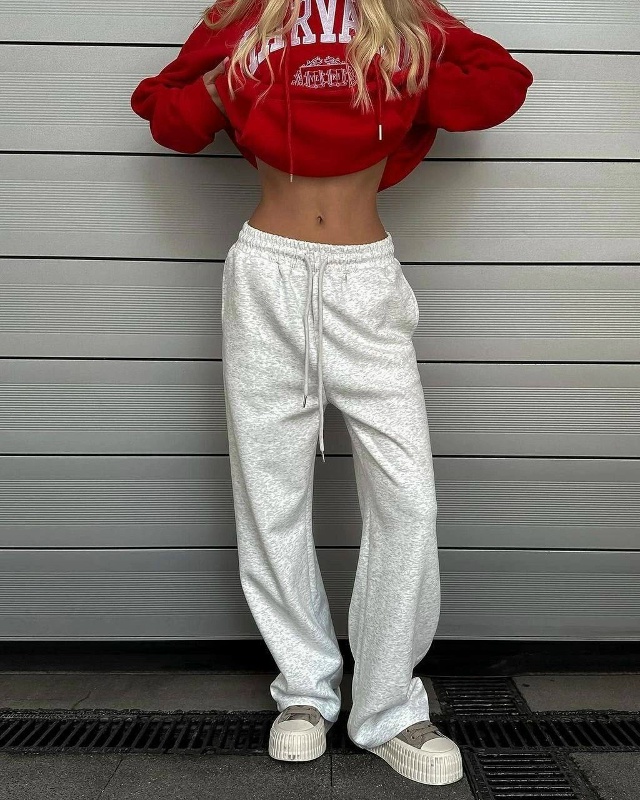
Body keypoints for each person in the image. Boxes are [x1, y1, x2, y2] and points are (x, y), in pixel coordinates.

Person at [130, 0, 533, 785]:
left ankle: (388, 707)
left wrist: (415, 77)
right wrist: (218, 89)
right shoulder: (244, 19)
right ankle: (305, 691)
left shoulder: (406, 17)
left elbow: (499, 84)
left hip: (363, 281)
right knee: (271, 495)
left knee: (409, 499)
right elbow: (166, 116)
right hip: (266, 275)